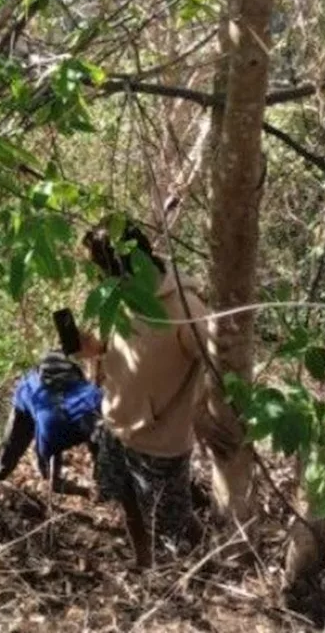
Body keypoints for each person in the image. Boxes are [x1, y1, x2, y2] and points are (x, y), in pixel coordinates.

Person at [76, 216, 208, 569]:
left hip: (160, 440)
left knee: (173, 522)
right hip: (116, 424)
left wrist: (211, 417)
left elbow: (216, 365)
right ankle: (144, 563)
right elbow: (105, 345)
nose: (101, 276)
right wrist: (85, 345)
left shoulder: (185, 308)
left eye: (103, 267)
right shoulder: (119, 298)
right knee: (128, 502)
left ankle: (204, 562)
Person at [0, 350, 102, 490]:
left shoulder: (29, 385)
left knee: (18, 448)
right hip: (65, 417)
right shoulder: (91, 396)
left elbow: (15, 439)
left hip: (53, 426)